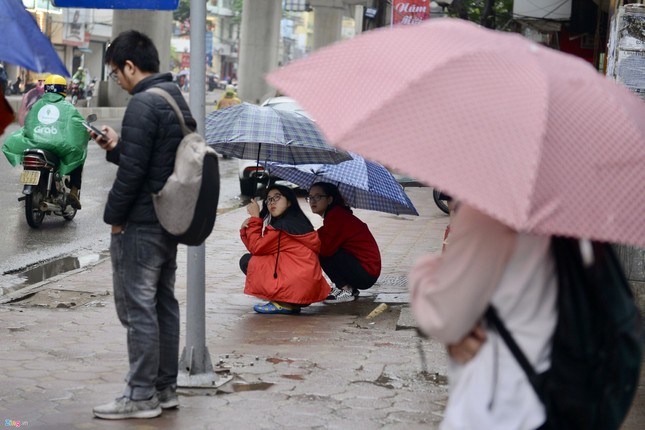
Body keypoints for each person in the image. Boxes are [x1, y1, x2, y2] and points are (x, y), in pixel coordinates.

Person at [89, 30, 196, 420]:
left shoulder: (142, 104)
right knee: (162, 304)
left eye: (116, 72)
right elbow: (152, 162)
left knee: (138, 310)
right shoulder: (173, 100)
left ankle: (139, 395)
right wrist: (117, 148)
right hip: (168, 220)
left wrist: (114, 218)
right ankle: (164, 388)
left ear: (130, 66)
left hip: (141, 223)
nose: (116, 80)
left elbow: (133, 175)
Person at [409, 203, 557, 430]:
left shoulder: (484, 213)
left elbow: (443, 316)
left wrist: (423, 269)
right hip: (552, 386)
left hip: (498, 404)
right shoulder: (561, 216)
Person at [239, 184, 330, 314]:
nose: (272, 202)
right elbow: (260, 248)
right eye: (269, 199)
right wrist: (245, 230)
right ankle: (290, 303)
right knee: (255, 259)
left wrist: (255, 218)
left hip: (296, 286)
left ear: (289, 202)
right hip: (305, 287)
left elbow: (256, 247)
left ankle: (283, 302)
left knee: (247, 261)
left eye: (277, 197)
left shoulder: (283, 227)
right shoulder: (295, 222)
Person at [2, 74, 87, 209]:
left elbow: (28, 123)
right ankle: (74, 191)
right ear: (63, 89)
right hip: (56, 146)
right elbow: (79, 125)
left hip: (34, 143)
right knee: (78, 154)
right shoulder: (68, 108)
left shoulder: (37, 105)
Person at [306, 182, 381, 304]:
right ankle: (350, 288)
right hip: (366, 270)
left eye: (318, 197)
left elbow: (325, 248)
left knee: (322, 251)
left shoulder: (336, 216)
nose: (313, 201)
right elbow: (324, 233)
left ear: (330, 199)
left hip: (366, 272)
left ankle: (346, 290)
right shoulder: (336, 214)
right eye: (310, 197)